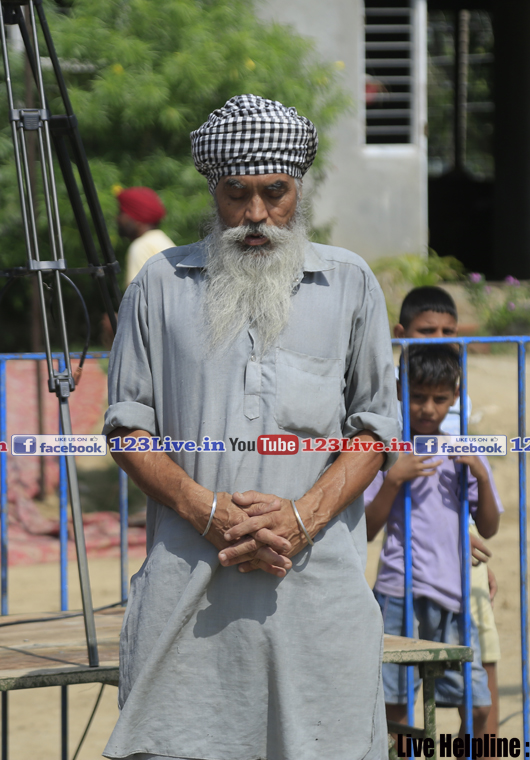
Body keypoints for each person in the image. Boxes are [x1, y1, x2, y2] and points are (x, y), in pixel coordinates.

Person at [103, 94, 402, 760]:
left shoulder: (350, 283)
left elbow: (376, 431)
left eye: (275, 193)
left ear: (299, 191)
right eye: (237, 193)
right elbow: (126, 427)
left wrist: (302, 517)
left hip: (316, 599)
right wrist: (204, 509)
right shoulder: (159, 284)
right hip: (188, 603)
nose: (256, 214)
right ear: (214, 193)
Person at [370, 293, 504, 741]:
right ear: (400, 392)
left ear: (455, 398)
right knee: (395, 708)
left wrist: (481, 474)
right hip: (399, 591)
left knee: (478, 705)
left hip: (454, 595)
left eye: (440, 399)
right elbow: (367, 528)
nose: (428, 408)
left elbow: (489, 527)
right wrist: (393, 479)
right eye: (419, 398)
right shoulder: (388, 448)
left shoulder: (462, 449)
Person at [117, 186, 175, 286]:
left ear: (136, 217)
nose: (118, 218)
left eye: (122, 212)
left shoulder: (141, 246)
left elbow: (136, 293)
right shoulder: (162, 239)